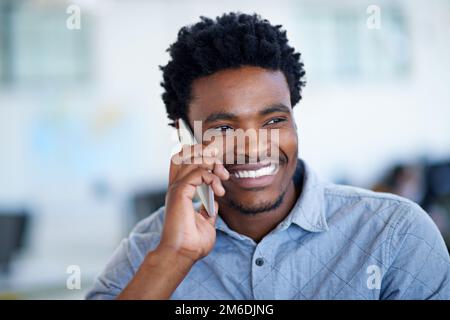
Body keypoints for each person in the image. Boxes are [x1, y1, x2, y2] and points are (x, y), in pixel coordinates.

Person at [87, 12, 450, 300]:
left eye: (274, 119)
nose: (253, 146)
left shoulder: (395, 233)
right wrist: (174, 258)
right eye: (224, 128)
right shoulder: (148, 251)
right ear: (186, 136)